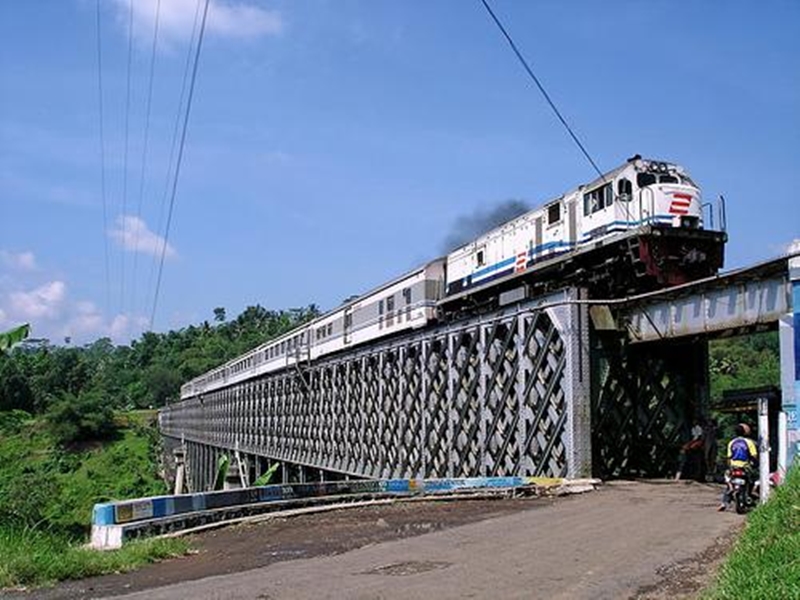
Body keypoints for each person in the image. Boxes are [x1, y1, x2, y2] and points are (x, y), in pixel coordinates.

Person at [718, 423, 758, 511]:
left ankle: (724, 502)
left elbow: (729, 457)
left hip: (733, 467)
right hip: (745, 466)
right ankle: (749, 496)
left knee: (729, 484)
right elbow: (754, 455)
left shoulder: (732, 442)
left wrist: (729, 467)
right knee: (752, 480)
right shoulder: (749, 442)